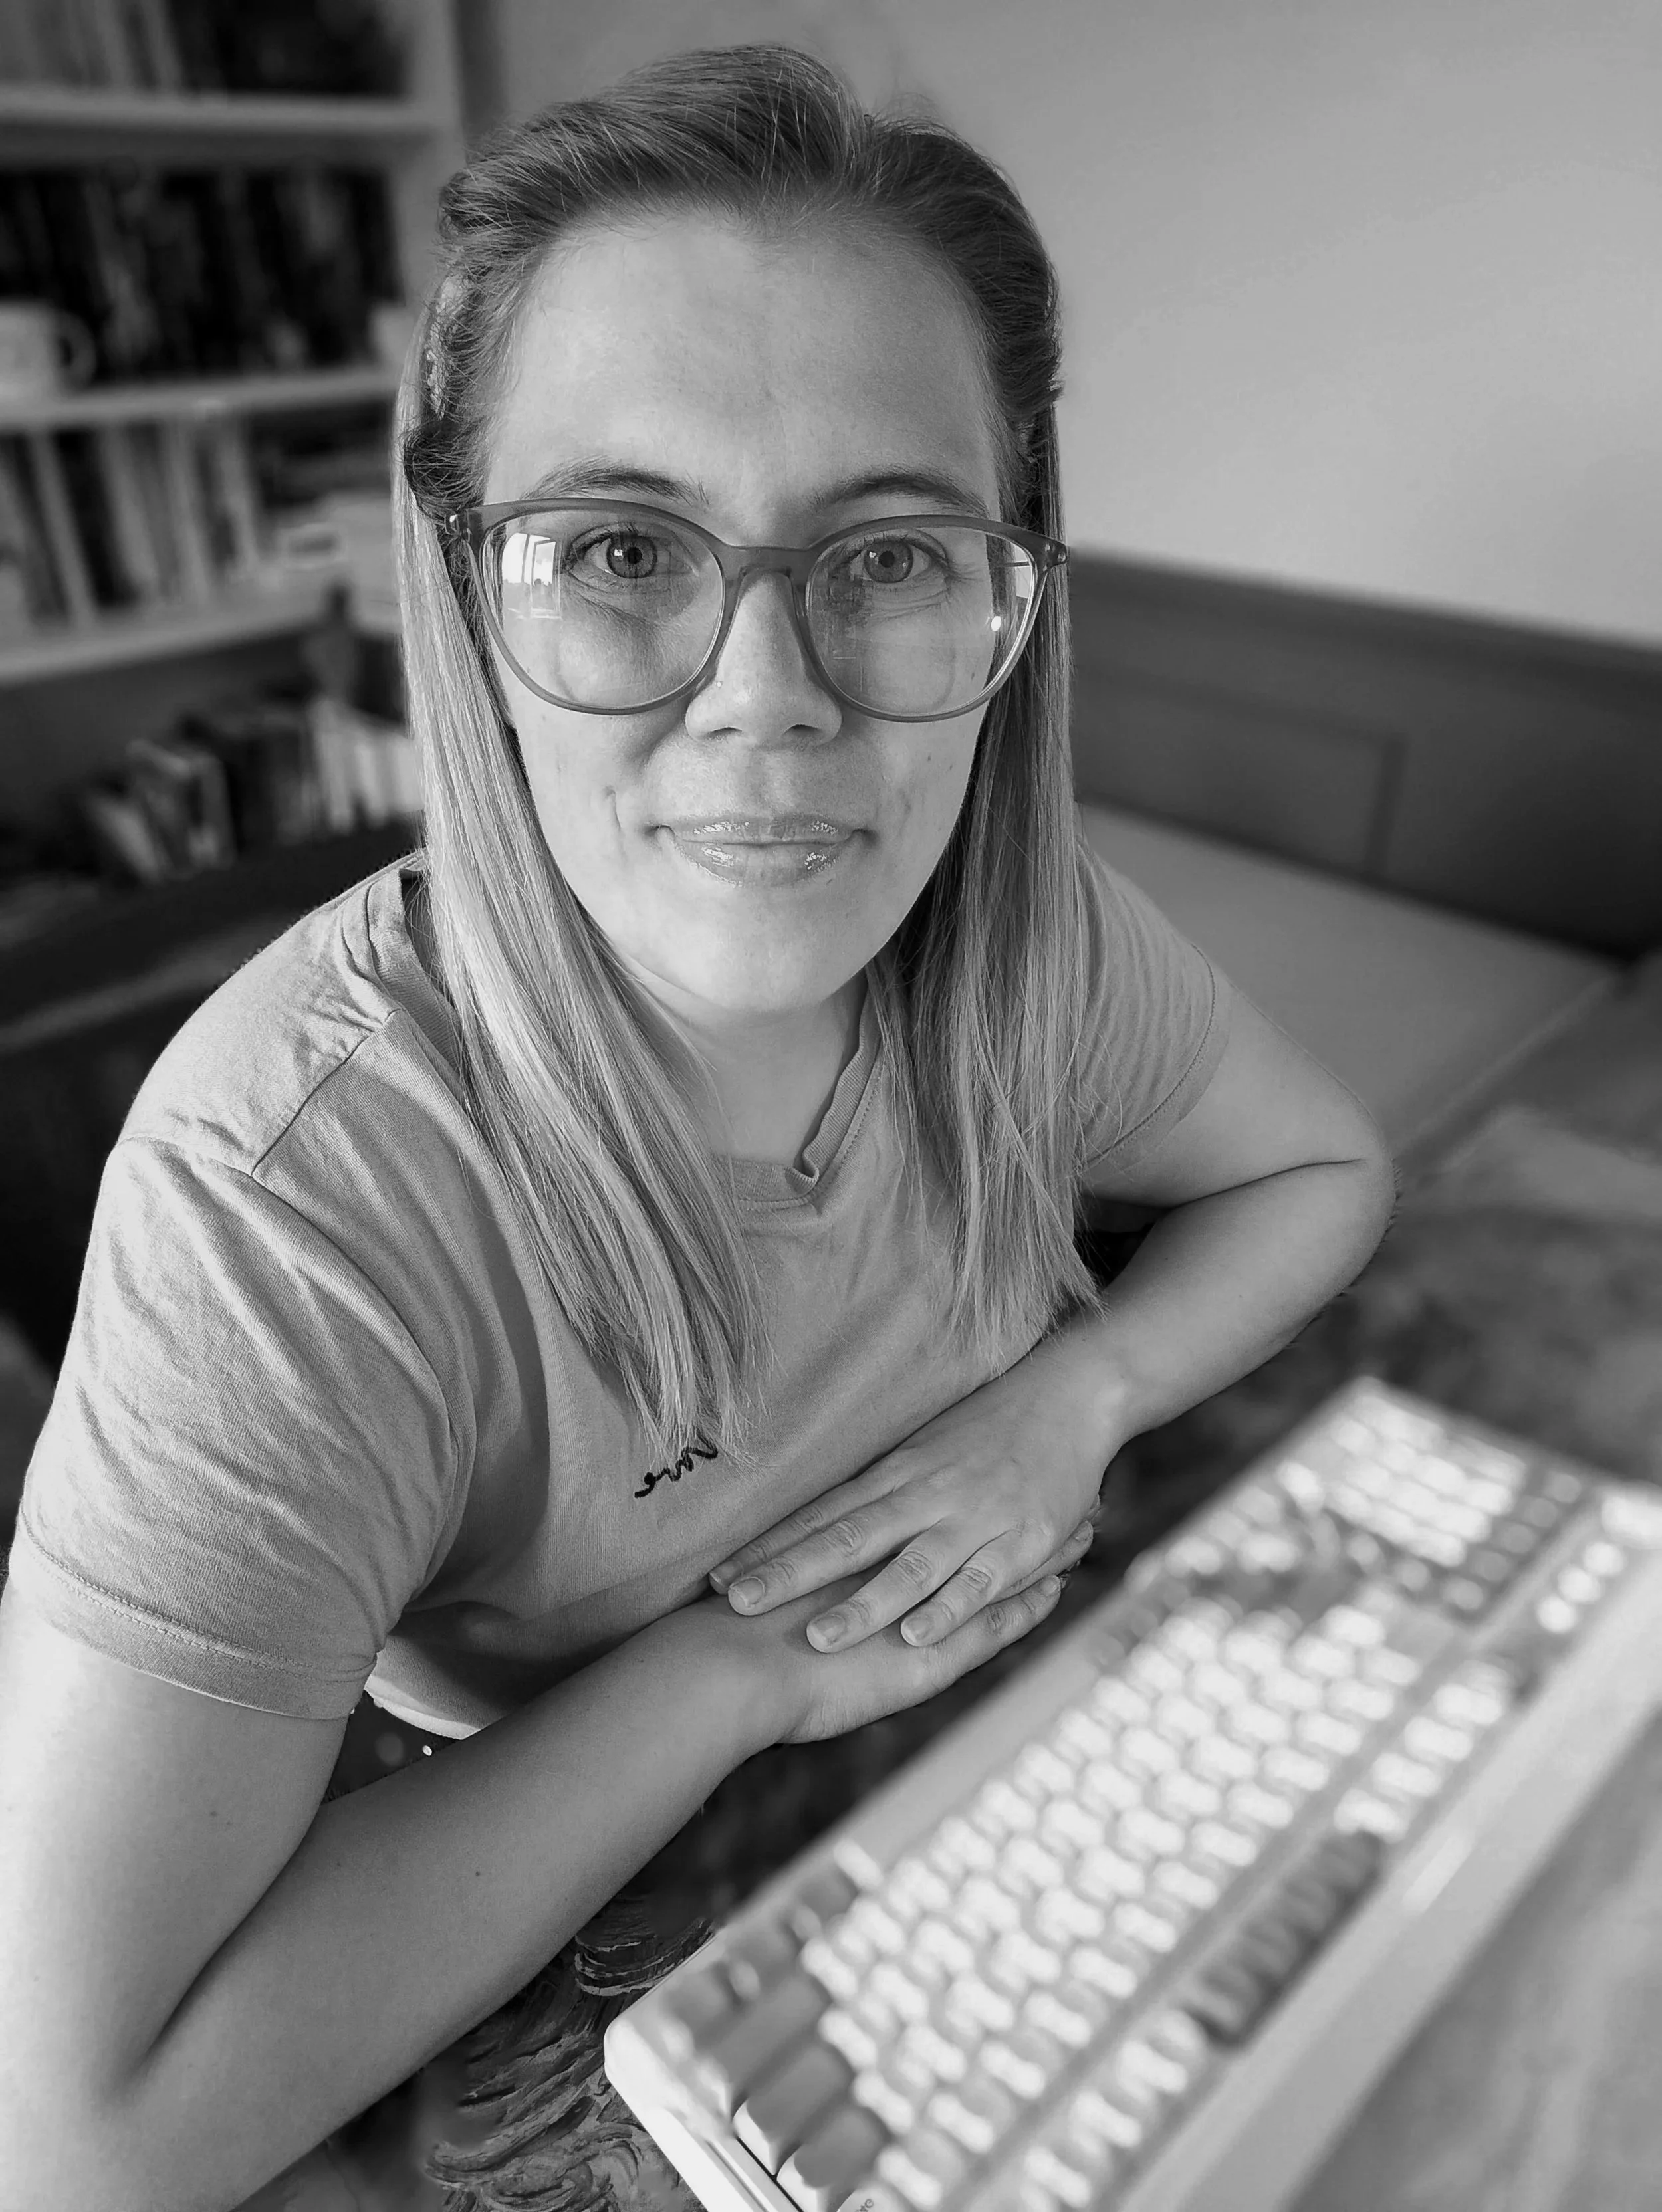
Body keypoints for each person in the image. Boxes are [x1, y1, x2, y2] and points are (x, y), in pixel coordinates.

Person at [0, 45, 1396, 2211]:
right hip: (576, 1892)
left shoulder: (1027, 943)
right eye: (622, 545)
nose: (766, 698)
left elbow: (1323, 1172)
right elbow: (74, 2142)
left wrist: (1080, 1395)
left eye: (891, 553)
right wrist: (735, 1668)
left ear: (1009, 596)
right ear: (467, 590)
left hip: (1044, 1706)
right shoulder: (295, 1205)